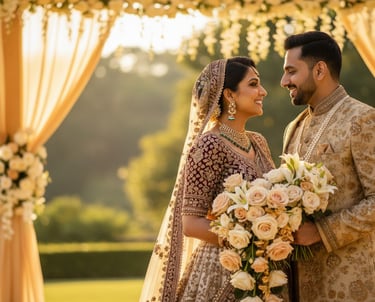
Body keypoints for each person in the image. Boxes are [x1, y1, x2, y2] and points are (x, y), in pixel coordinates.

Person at [139, 56, 275, 302]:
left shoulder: (259, 142)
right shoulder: (209, 145)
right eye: (253, 84)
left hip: (263, 266)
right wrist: (251, 237)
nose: (262, 91)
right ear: (230, 95)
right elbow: (191, 224)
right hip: (221, 269)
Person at [280, 31, 375, 302]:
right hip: (297, 282)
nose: (284, 81)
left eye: (291, 71)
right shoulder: (294, 127)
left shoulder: (363, 119)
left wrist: (321, 232)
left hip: (350, 282)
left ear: (319, 69)